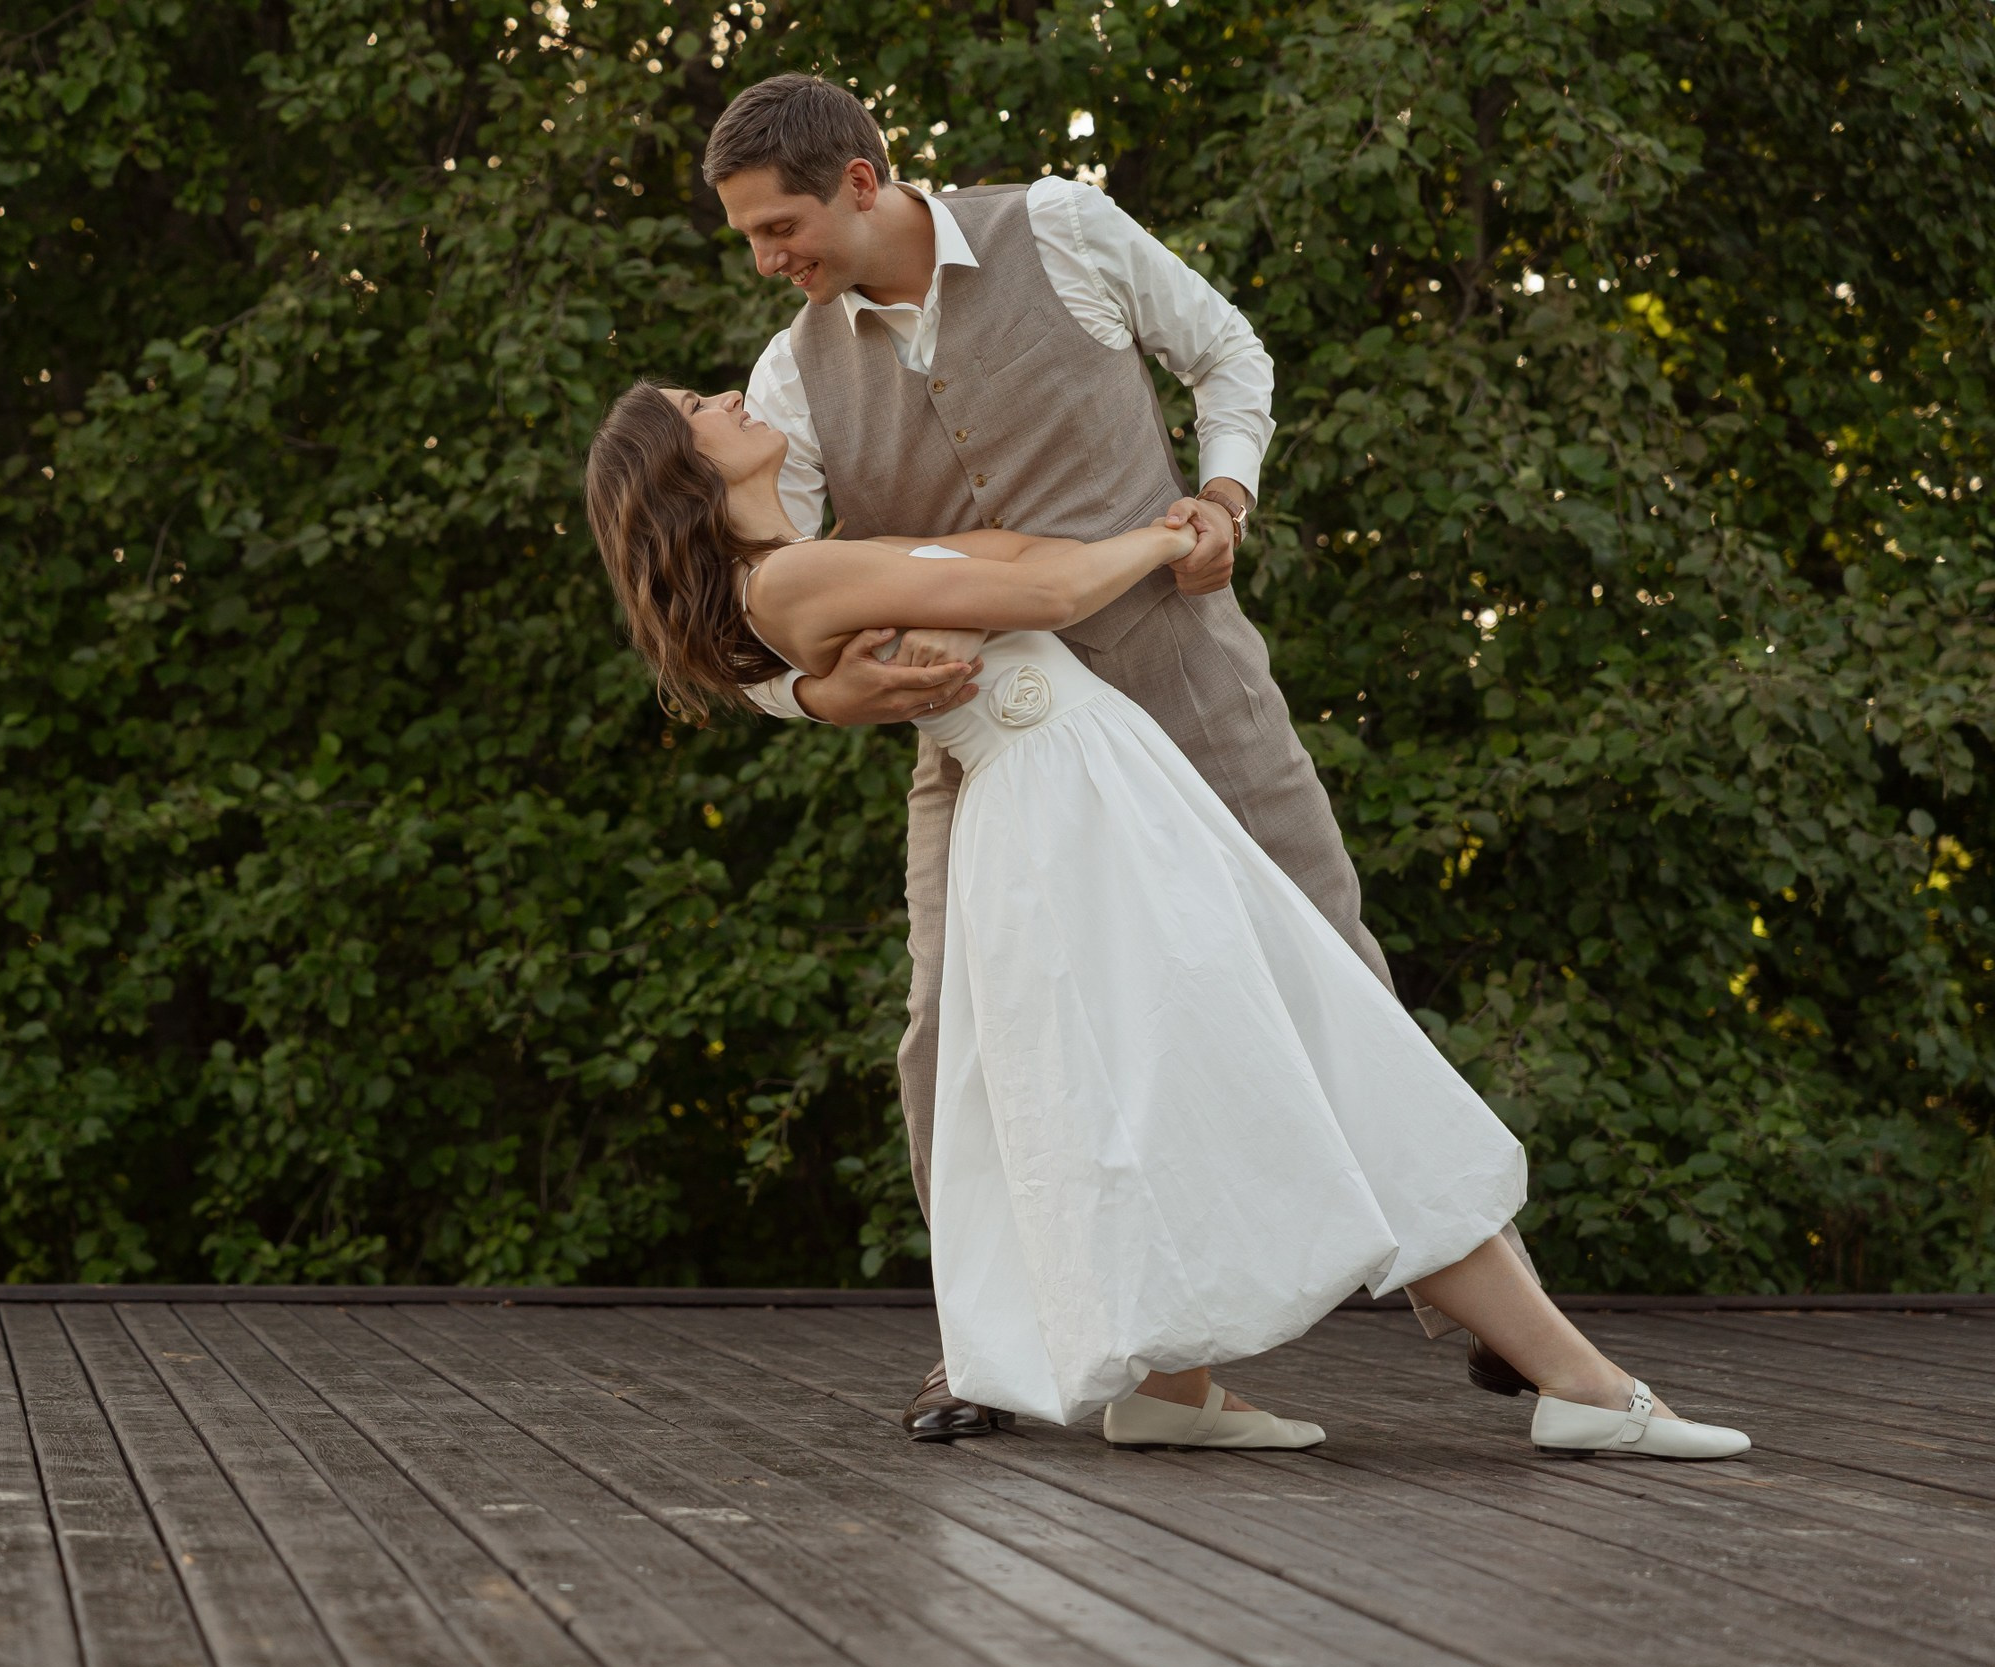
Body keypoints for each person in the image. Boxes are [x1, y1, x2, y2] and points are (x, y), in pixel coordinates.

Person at [583, 377, 1751, 1462]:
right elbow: (1046, 589)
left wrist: (984, 586)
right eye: (698, 406)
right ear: (682, 475)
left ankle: (1172, 1395)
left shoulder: (816, 561)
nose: (729, 393)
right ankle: (1585, 1393)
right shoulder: (789, 582)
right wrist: (1167, 530)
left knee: (1214, 1071)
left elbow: (1009, 557)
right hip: (1071, 820)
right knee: (1319, 1059)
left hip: (1094, 799)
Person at [700, 72, 1548, 1442]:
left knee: (1330, 955)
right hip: (981, 733)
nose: (765, 258)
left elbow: (1229, 354)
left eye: (778, 223)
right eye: (746, 235)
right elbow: (771, 603)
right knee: (948, 1037)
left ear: (862, 179)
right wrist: (824, 697)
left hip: (1185, 677)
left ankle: (1483, 1308)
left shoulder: (1058, 227)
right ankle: (991, 1345)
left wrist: (1224, 493)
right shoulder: (791, 375)